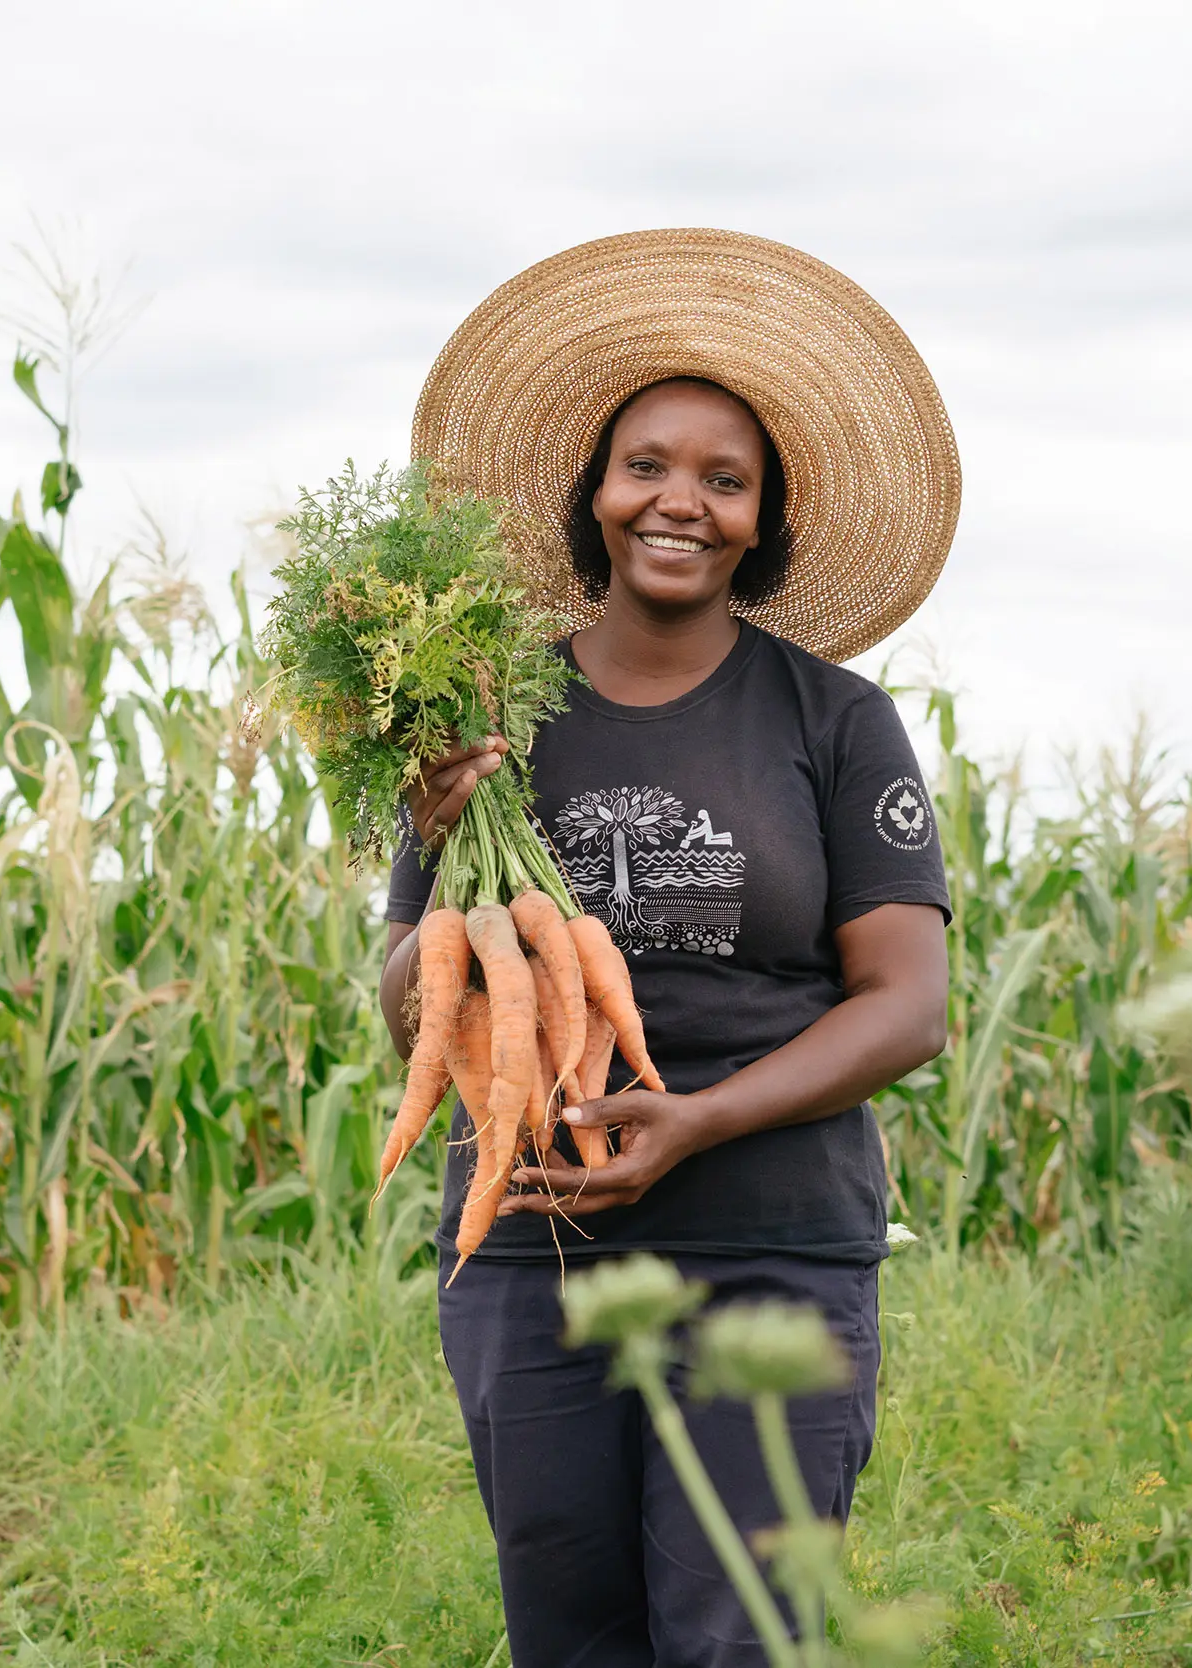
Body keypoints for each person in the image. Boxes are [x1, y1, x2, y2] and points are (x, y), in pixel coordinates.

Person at [378, 229, 961, 1668]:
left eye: (724, 479)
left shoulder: (835, 719)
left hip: (774, 1243)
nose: (679, 502)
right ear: (593, 494)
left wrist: (694, 1121)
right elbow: (410, 1012)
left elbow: (908, 1008)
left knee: (744, 1641)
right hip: (530, 1242)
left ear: (762, 521)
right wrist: (446, 843)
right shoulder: (484, 722)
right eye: (646, 465)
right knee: (567, 1637)